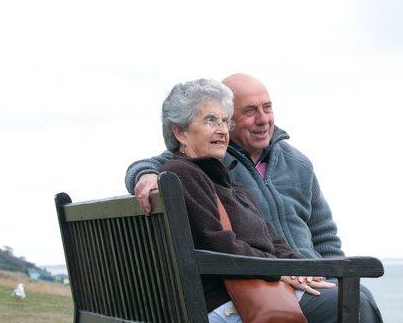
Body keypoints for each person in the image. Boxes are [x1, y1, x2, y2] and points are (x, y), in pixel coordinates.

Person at [157, 78, 381, 323]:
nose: (222, 129)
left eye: (224, 121)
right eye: (211, 120)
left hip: (258, 285)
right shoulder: (184, 173)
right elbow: (219, 244)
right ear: (179, 131)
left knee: (356, 294)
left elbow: (273, 240)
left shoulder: (230, 185)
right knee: (352, 301)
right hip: (233, 300)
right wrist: (280, 270)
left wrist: (307, 271)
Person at [125, 74, 342, 259]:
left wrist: (339, 281)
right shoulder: (211, 158)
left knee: (358, 297)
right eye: (250, 111)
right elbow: (168, 161)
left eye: (267, 107)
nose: (263, 119)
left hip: (307, 276)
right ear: (231, 119)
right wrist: (146, 174)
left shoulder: (298, 163)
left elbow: (325, 236)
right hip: (271, 283)